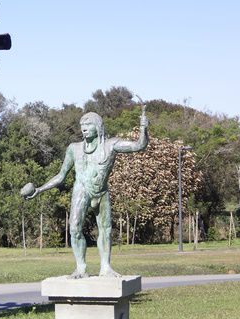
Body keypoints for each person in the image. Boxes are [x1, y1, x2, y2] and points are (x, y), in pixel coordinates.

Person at [24, 109, 148, 278]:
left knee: (105, 229)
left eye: (88, 125)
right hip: (81, 189)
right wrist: (39, 190)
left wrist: (143, 127)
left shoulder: (110, 145)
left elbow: (139, 146)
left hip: (101, 191)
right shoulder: (73, 149)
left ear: (98, 126)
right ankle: (81, 267)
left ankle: (106, 267)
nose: (84, 128)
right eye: (82, 125)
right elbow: (61, 176)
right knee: (74, 228)